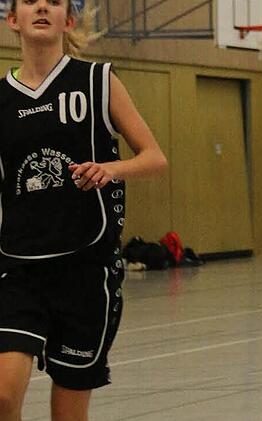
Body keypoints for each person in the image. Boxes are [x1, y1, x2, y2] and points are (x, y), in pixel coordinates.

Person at [0, 1, 168, 420]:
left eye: (55, 1)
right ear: (12, 19)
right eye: (30, 0)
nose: (42, 5)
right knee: (2, 396)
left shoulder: (98, 80)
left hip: (85, 270)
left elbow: (154, 158)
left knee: (68, 414)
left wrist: (111, 169)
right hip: (18, 269)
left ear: (68, 20)